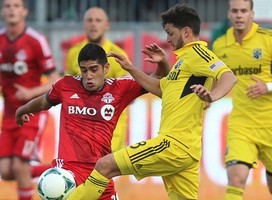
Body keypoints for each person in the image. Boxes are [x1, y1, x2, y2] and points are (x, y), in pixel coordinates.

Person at [67, 3, 237, 200]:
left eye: (170, 33)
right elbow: (159, 89)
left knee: (104, 165)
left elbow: (228, 77)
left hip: (174, 145)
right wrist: (131, 68)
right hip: (185, 151)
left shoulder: (198, 54)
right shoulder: (182, 62)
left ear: (187, 32)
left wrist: (212, 96)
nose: (167, 39)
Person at [15, 43, 170, 199]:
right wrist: (23, 110)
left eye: (94, 69)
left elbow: (157, 80)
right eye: (84, 70)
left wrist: (162, 62)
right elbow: (43, 102)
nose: (88, 75)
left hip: (100, 173)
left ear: (106, 68)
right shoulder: (66, 85)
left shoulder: (119, 89)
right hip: (68, 174)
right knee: (54, 186)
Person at [0, 0, 59, 200]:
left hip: (31, 112)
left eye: (16, 6)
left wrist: (30, 93)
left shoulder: (36, 41)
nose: (11, 9)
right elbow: (0, 68)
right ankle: (54, 169)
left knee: (20, 165)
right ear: (2, 11)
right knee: (6, 171)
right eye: (7, 6)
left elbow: (55, 79)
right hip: (9, 115)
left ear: (24, 11)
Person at [212, 0, 272, 199]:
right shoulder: (220, 45)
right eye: (235, 11)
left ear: (252, 14)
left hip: (269, 123)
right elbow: (212, 77)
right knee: (236, 178)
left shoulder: (268, 41)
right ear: (228, 14)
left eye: (244, 11)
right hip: (241, 125)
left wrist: (268, 86)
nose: (239, 15)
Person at [65, 6, 130, 152]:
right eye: (89, 20)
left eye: (98, 20)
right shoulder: (73, 53)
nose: (93, 24)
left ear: (107, 25)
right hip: (82, 126)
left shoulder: (118, 56)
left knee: (103, 170)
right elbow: (68, 86)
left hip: (110, 126)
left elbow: (128, 92)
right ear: (84, 24)